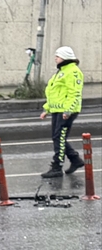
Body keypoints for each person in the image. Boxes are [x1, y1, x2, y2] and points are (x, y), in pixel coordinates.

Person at [39, 45, 85, 178]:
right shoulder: (62, 71)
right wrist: (46, 109)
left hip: (66, 111)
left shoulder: (73, 72)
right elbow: (55, 93)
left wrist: (68, 111)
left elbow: (74, 93)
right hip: (57, 110)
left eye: (57, 56)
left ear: (64, 57)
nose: (55, 59)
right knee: (58, 137)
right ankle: (75, 160)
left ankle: (57, 167)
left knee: (59, 137)